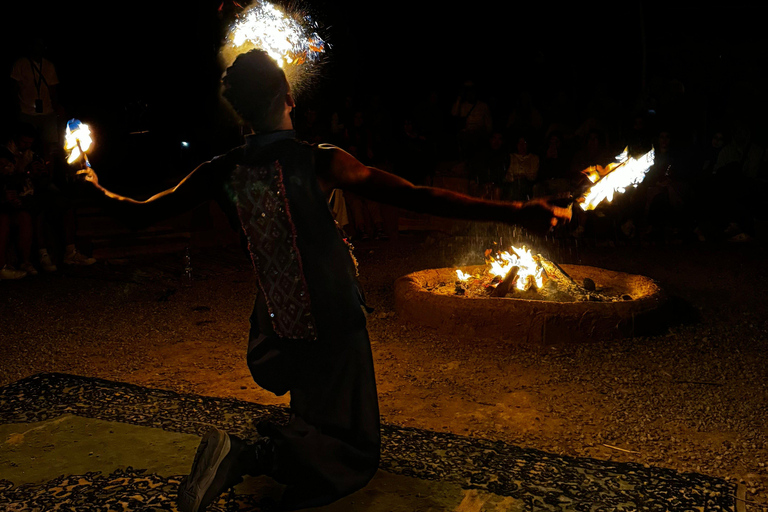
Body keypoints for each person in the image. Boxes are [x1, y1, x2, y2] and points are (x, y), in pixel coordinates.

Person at [81, 50, 570, 511]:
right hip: (332, 312)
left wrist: (91, 183)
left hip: (276, 316)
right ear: (289, 98)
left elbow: (139, 214)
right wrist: (516, 211)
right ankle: (248, 455)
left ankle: (283, 448)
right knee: (353, 449)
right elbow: (416, 195)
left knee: (316, 409)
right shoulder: (319, 159)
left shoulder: (221, 170)